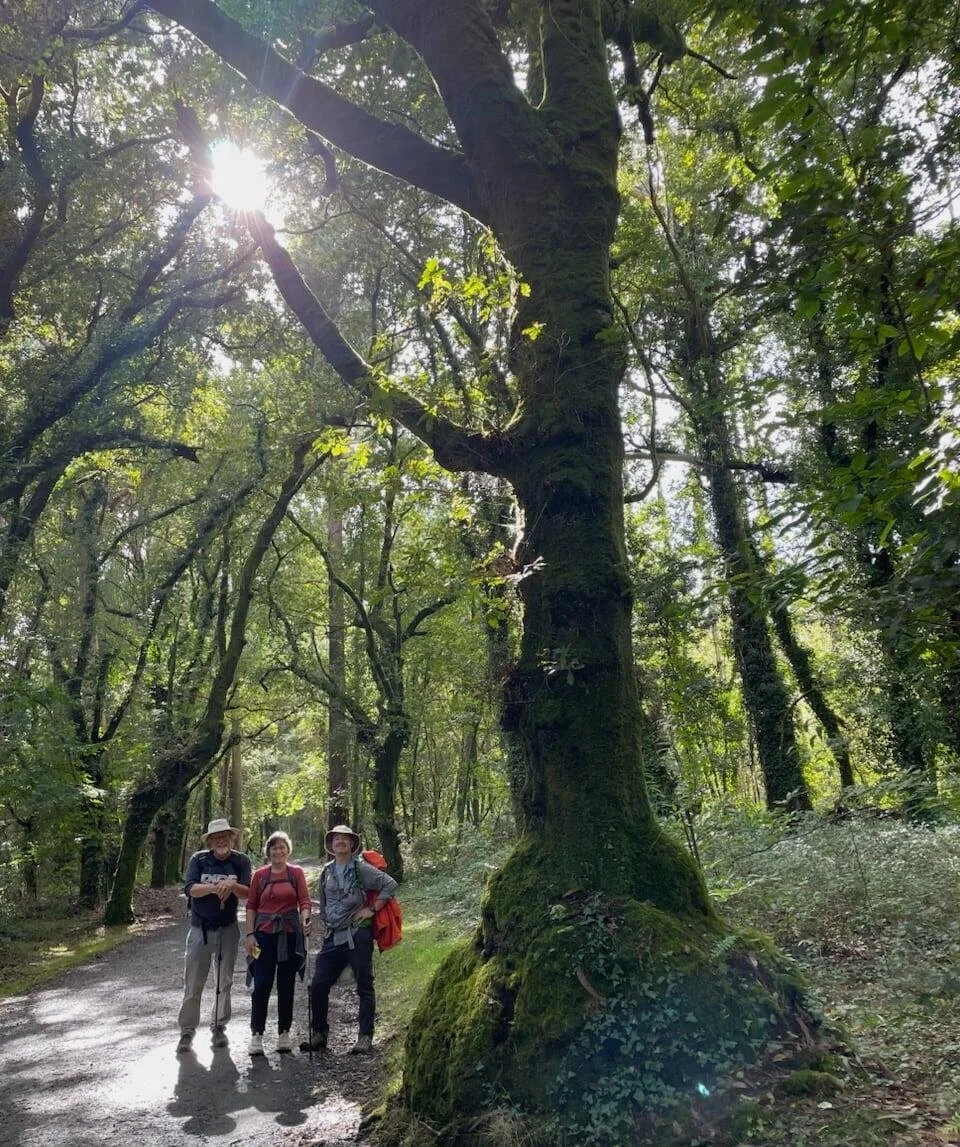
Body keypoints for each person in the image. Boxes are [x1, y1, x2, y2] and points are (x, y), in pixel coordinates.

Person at [300, 824, 398, 1055]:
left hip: (357, 934)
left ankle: (365, 1036)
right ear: (331, 844)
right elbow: (323, 903)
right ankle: (319, 1033)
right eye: (336, 838)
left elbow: (389, 884)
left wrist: (371, 909)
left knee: (364, 984)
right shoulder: (326, 871)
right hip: (333, 936)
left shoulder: (361, 869)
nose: (340, 841)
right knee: (318, 984)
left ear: (352, 844)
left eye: (345, 838)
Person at [177, 817, 252, 1054]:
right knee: (193, 982)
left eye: (225, 836)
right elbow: (190, 889)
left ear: (232, 838)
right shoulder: (198, 860)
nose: (221, 841)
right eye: (216, 837)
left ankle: (219, 1026)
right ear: (210, 841)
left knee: (224, 981)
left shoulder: (241, 861)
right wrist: (216, 887)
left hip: (228, 929)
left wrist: (232, 886)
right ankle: (187, 1031)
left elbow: (248, 893)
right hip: (200, 929)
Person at [244, 831, 312, 1055]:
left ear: (288, 850)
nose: (278, 851)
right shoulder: (260, 875)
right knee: (261, 984)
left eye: (282, 847)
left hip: (290, 935)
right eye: (274, 848)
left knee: (286, 984)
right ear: (268, 852)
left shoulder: (296, 873)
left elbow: (304, 900)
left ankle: (284, 1033)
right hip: (262, 936)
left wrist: (306, 919)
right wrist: (250, 935)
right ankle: (257, 1035)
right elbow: (251, 906)